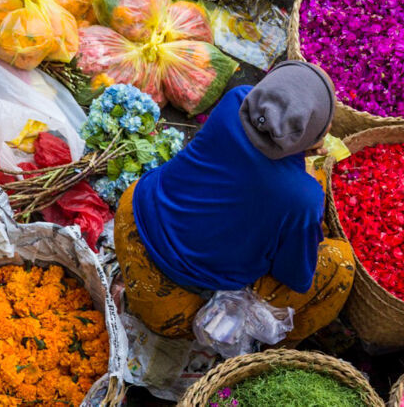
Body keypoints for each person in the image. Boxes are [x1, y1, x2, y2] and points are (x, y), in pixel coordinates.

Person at [115, 61, 355, 342]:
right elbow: (295, 277)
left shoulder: (237, 101)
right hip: (170, 301)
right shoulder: (302, 196)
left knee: (306, 189)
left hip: (133, 215)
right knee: (340, 264)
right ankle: (277, 349)